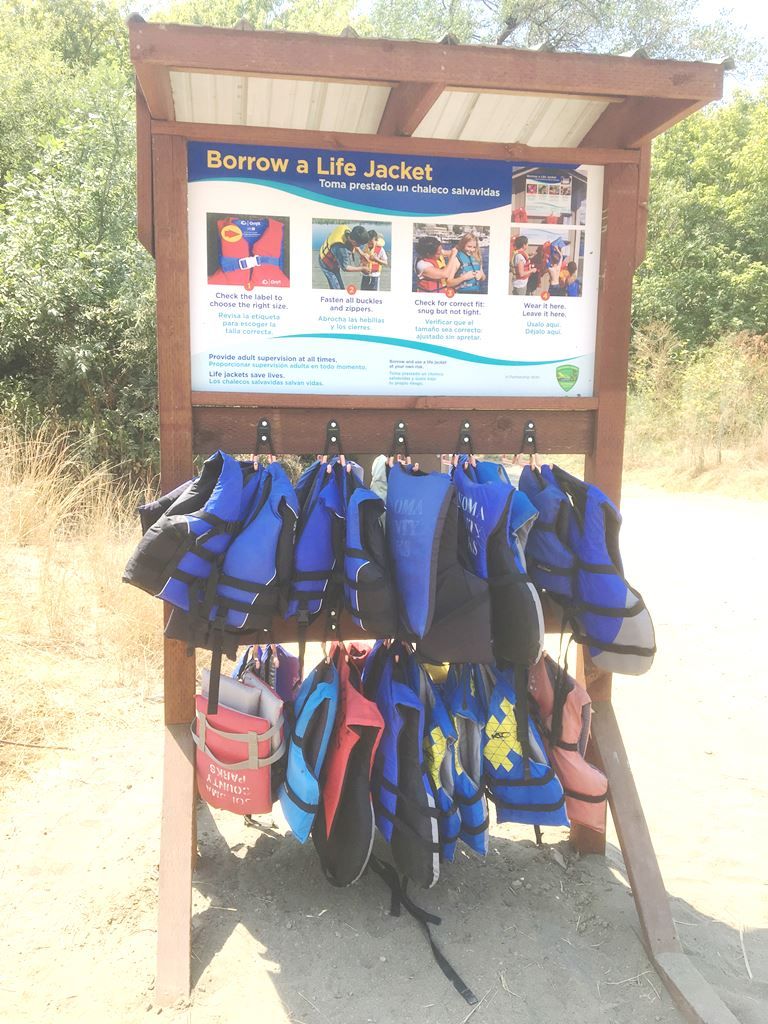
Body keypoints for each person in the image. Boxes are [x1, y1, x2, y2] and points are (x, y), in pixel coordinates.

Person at [318, 224, 369, 289]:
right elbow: (345, 267)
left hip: (328, 250)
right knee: (337, 288)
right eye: (360, 244)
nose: (360, 246)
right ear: (354, 242)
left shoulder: (347, 230)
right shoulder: (341, 249)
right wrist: (362, 268)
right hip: (326, 263)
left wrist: (362, 253)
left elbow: (354, 244)